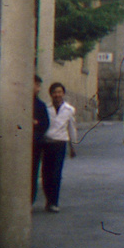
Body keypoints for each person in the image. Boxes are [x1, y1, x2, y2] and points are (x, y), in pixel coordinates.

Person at [41, 82, 77, 213]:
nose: (57, 95)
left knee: (56, 173)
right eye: (55, 92)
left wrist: (73, 146)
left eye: (60, 92)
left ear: (63, 94)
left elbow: (71, 128)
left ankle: (54, 202)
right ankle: (48, 199)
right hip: (47, 143)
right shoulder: (46, 108)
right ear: (51, 94)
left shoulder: (69, 110)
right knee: (46, 174)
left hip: (60, 143)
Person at [32, 75, 50, 205]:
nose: (38, 89)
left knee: (33, 173)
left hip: (35, 144)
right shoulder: (20, 102)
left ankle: (30, 200)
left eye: (39, 86)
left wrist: (36, 123)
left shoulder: (40, 105)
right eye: (36, 85)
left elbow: (45, 124)